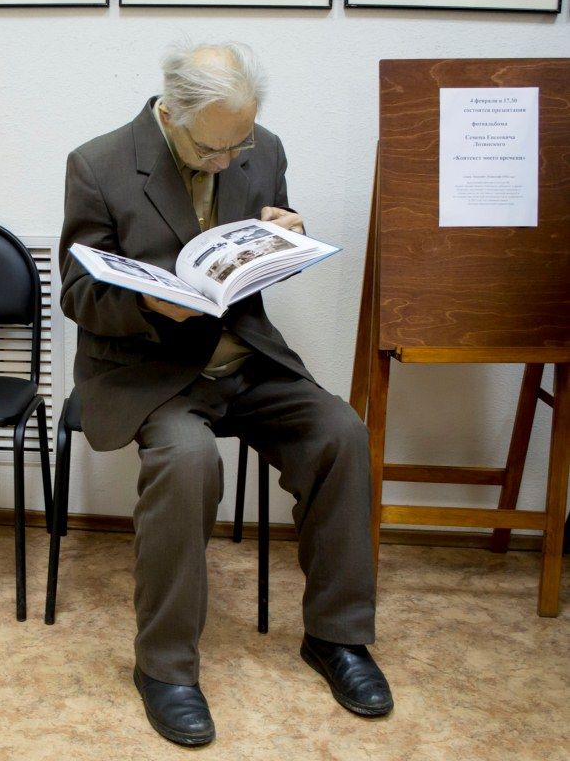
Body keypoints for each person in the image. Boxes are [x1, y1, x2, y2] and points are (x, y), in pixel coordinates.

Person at [58, 43, 393, 747]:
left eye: (238, 145)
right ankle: (165, 668)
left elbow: (263, 249)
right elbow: (79, 294)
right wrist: (149, 305)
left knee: (342, 435)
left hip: (248, 358)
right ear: (170, 115)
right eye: (212, 149)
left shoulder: (259, 146)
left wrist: (287, 238)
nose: (227, 160)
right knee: (188, 462)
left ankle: (336, 637)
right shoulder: (98, 164)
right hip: (154, 371)